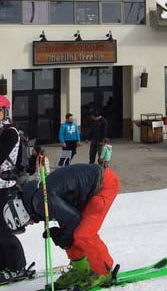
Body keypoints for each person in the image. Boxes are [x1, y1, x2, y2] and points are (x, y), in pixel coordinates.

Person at [2, 164, 121, 290]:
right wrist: (63, 236)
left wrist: (63, 238)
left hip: (103, 185)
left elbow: (74, 218)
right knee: (67, 230)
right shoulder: (35, 200)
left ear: (22, 214)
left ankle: (104, 272)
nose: (30, 224)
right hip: (87, 191)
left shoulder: (41, 202)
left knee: (84, 234)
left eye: (25, 224)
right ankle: (81, 269)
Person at [0, 95, 29, 283]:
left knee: (4, 230)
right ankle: (3, 266)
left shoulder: (10, 132)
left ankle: (17, 267)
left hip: (5, 187)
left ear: (4, 112)